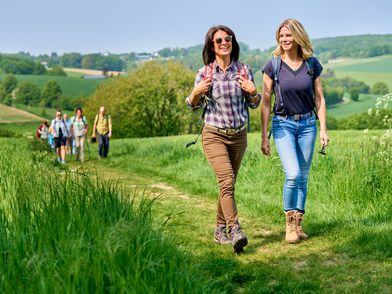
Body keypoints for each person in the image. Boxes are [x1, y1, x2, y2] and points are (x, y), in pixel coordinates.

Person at [186, 25, 261, 253]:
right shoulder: (205, 73)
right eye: (219, 40)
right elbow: (192, 105)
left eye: (227, 39)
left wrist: (253, 91)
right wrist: (197, 92)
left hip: (239, 135)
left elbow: (254, 103)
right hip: (214, 135)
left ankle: (219, 229)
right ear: (212, 45)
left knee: (227, 185)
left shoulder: (244, 70)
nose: (224, 43)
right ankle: (235, 229)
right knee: (226, 180)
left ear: (232, 42)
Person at [260, 19, 329, 243]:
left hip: (308, 125)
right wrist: (263, 136)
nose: (284, 40)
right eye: (281, 36)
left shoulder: (312, 64)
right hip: (283, 125)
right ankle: (289, 224)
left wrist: (323, 130)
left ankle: (299, 224)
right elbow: (265, 102)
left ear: (297, 37)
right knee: (293, 174)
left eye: (288, 35)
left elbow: (319, 98)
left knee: (303, 177)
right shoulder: (273, 65)